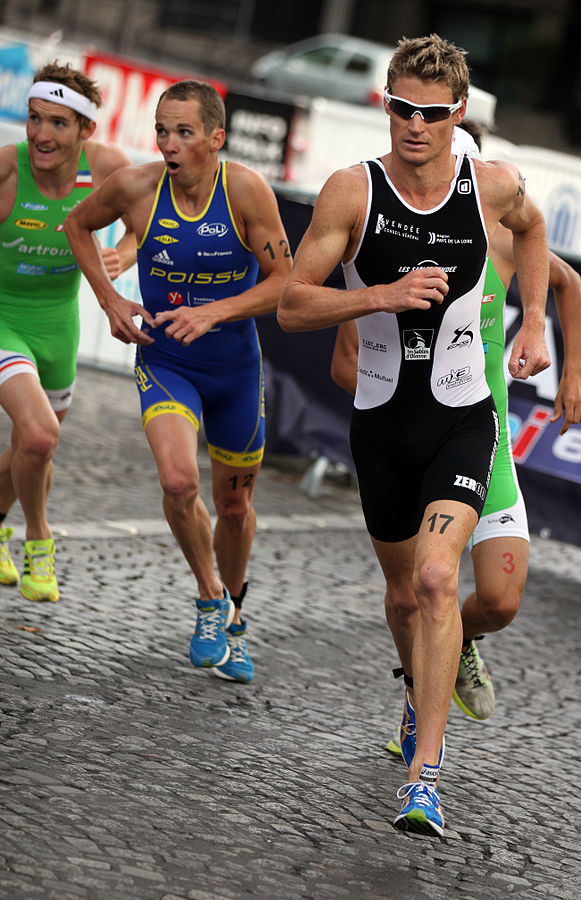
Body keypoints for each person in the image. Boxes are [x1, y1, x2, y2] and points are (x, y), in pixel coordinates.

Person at [278, 34, 550, 836]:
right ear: (385, 105)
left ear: (457, 114)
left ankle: (424, 776)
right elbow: (293, 304)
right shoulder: (351, 193)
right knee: (404, 593)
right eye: (401, 108)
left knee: (439, 580)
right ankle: (418, 690)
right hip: (383, 425)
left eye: (432, 114)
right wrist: (379, 297)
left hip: (467, 419)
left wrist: (534, 322)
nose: (415, 125)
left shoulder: (493, 186)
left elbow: (535, 236)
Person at [331, 123, 581, 745]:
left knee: (500, 602)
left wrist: (572, 368)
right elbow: (344, 363)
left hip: (481, 437)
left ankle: (457, 643)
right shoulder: (380, 246)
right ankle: (422, 694)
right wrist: (394, 400)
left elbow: (568, 282)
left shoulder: (497, 237)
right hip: (407, 440)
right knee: (417, 591)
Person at [64, 80, 292, 683]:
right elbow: (77, 225)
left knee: (235, 506)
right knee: (176, 479)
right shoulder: (137, 188)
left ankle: (236, 617)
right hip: (166, 362)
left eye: (184, 132)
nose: (169, 143)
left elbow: (284, 281)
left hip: (235, 370)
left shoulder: (244, 190)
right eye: (162, 131)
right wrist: (111, 301)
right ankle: (211, 597)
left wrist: (215, 312)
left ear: (216, 138)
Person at [0, 61, 135, 603]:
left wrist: (121, 257)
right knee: (38, 434)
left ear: (86, 131)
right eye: (35, 119)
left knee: (32, 453)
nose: (41, 135)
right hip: (4, 317)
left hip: (60, 325)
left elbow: (142, 226)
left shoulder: (107, 170)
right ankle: (39, 539)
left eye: (58, 123)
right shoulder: (8, 170)